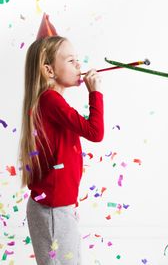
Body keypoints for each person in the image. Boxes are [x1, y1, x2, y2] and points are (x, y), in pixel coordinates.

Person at [19, 35, 104, 264]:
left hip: (59, 209)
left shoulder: (52, 101)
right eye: (70, 60)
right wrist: (95, 93)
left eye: (77, 59)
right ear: (49, 70)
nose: (78, 65)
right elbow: (95, 132)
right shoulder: (50, 101)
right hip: (54, 212)